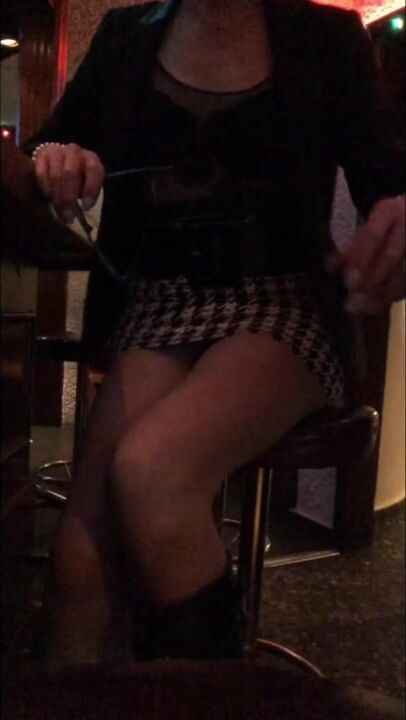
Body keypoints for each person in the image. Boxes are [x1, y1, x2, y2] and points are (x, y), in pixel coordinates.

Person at [26, 0, 405, 666]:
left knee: (153, 473)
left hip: (280, 300)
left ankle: (219, 689)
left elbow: (387, 179)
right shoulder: (125, 34)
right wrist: (55, 157)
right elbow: (51, 148)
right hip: (156, 302)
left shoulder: (327, 36)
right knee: (79, 565)